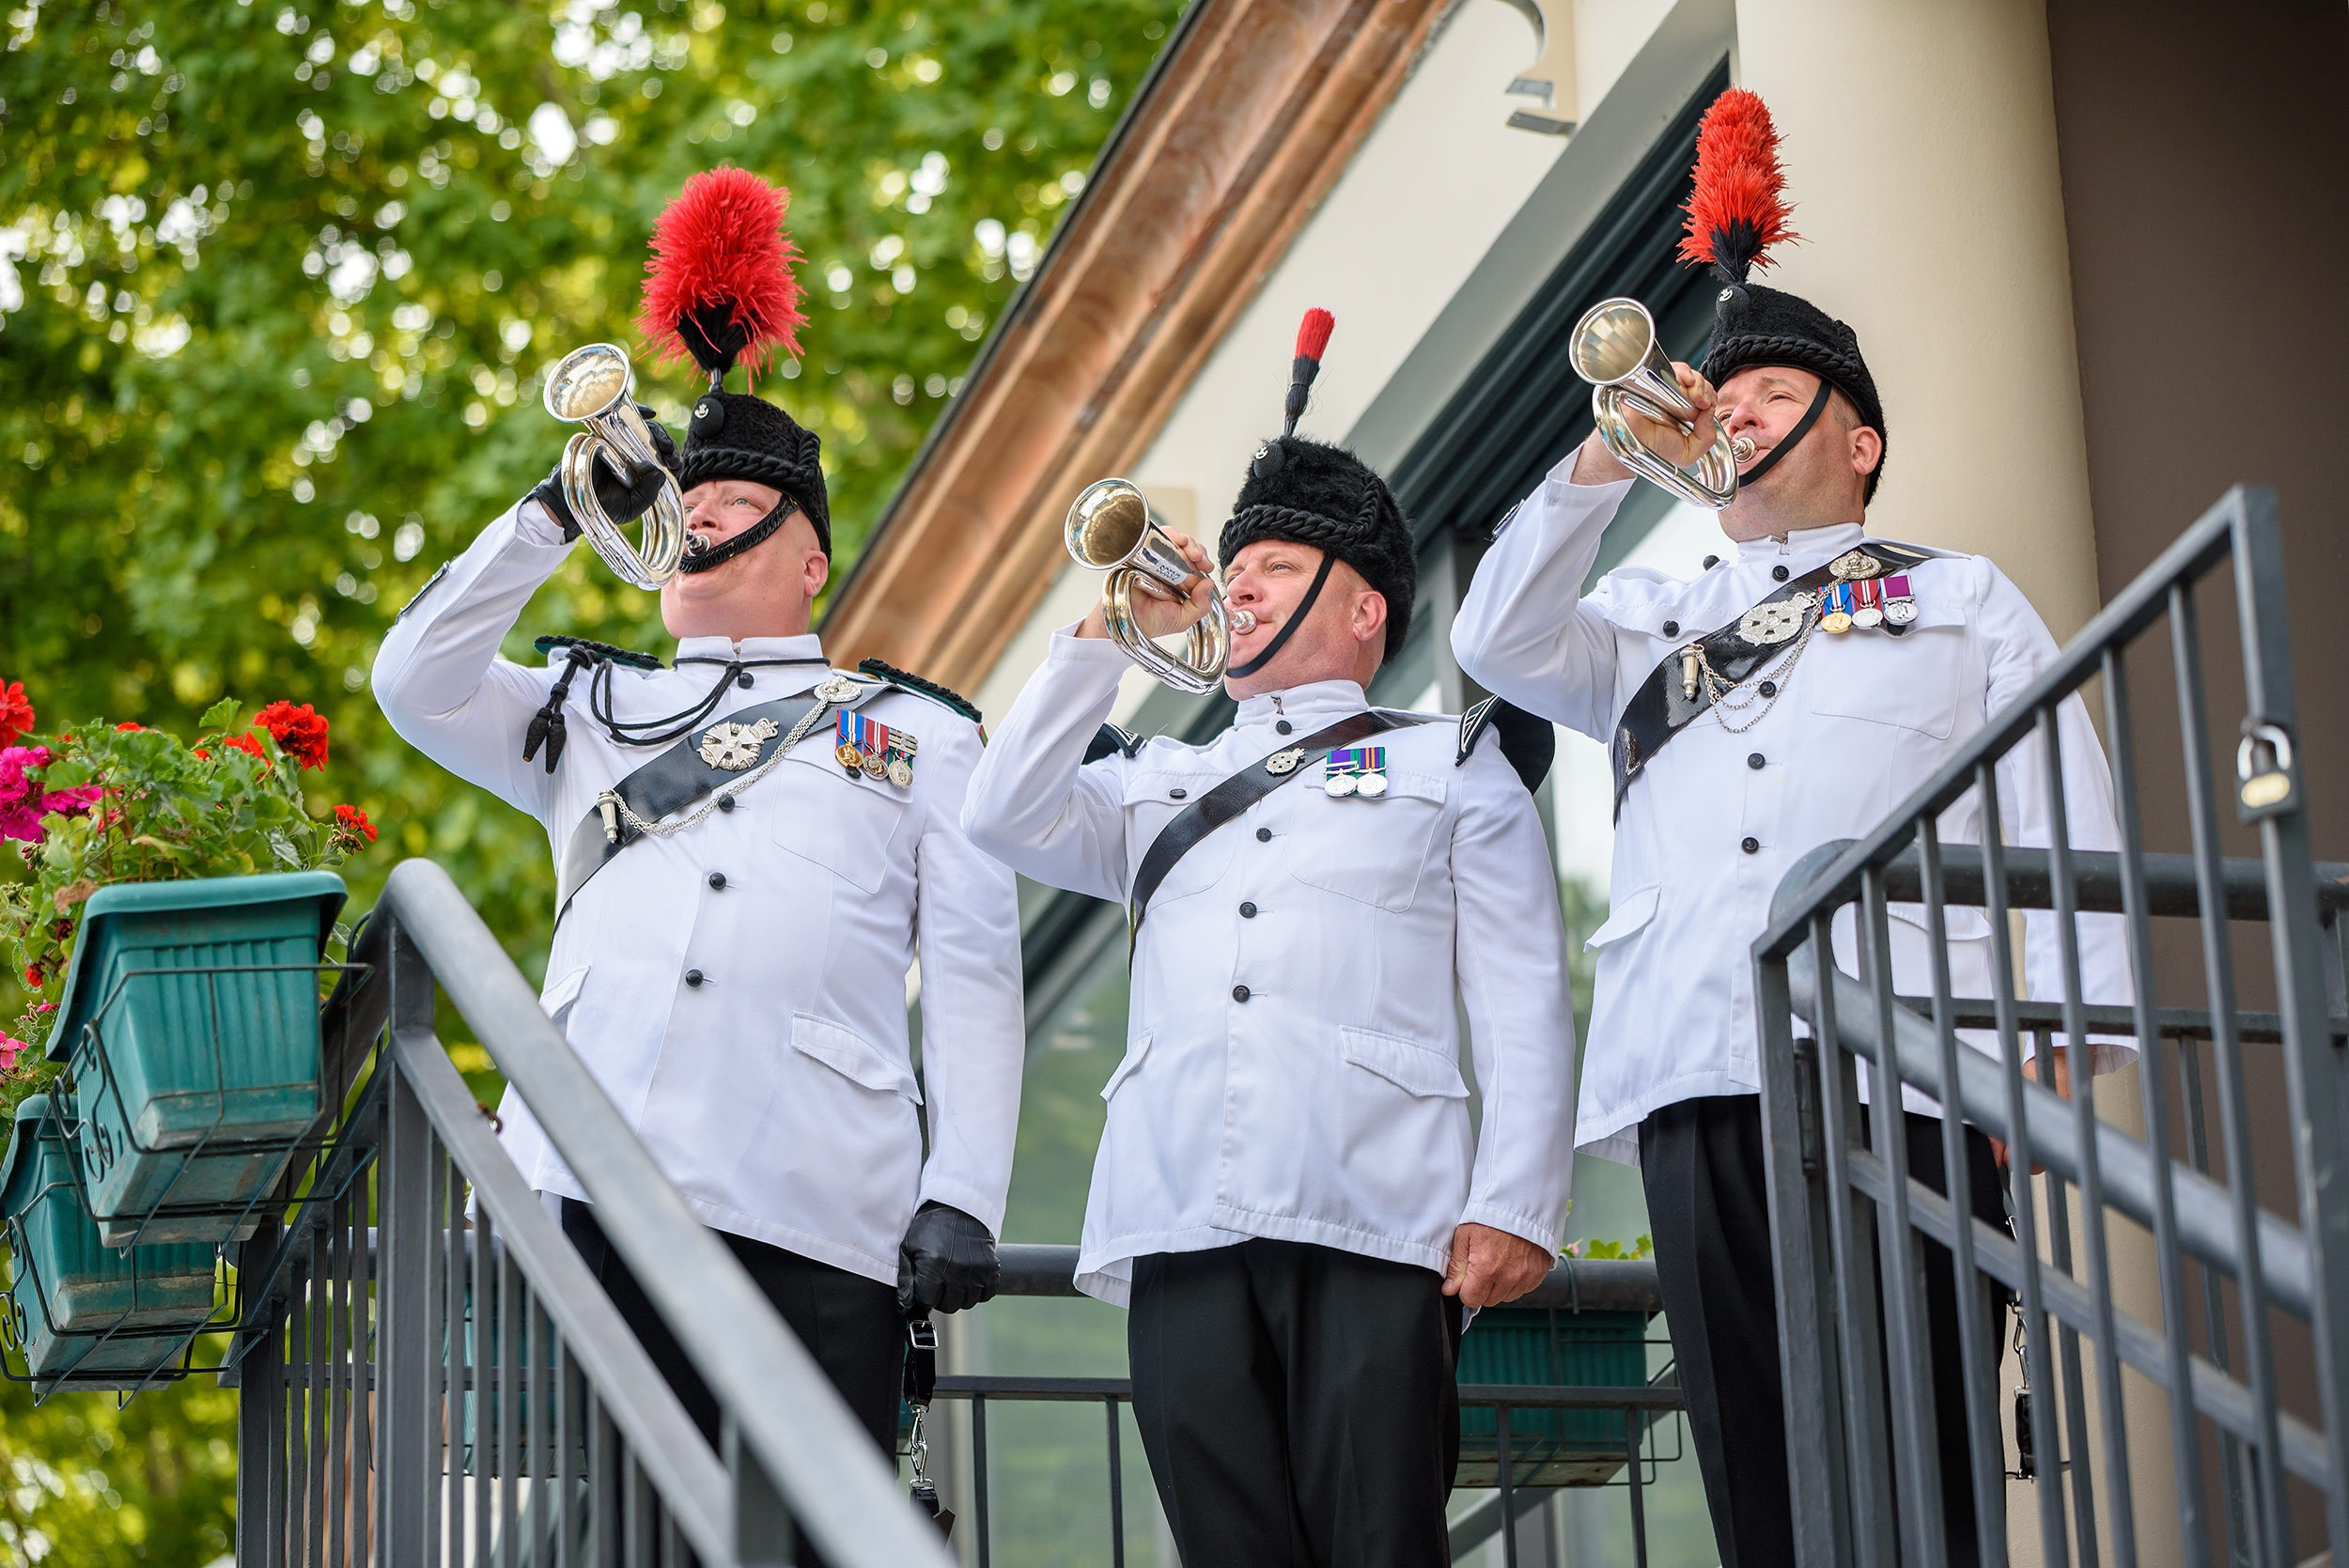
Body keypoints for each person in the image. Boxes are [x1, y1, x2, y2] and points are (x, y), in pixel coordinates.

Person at [1449, 90, 2131, 1568]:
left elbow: (2065, 809)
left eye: (1771, 395)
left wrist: (2058, 1042)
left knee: (1920, 1459)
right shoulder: (1649, 614)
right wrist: (1607, 457)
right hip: (1694, 1075)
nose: (1736, 415)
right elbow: (1495, 635)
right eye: (1725, 397)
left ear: (1858, 439)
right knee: (1761, 1478)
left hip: (1906, 1070)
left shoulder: (1956, 595)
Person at [372, 170, 1025, 1494]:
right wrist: (555, 514)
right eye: (685, 505)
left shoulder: (921, 734)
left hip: (812, 1202)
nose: (696, 525)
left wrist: (967, 1188)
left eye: (731, 511)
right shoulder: (589, 706)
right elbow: (412, 682)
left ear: (810, 560)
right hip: (586, 1185)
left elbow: (973, 980)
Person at [962, 309, 1576, 1568]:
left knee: (1379, 1544)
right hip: (1177, 1209)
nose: (1236, 587)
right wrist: (1109, 634)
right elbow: (1001, 810)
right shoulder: (1161, 778)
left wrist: (1518, 1201)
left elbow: (1525, 996)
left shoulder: (1451, 762)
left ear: (1365, 609)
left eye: (1278, 570)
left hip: (1374, 1207)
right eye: (1234, 569)